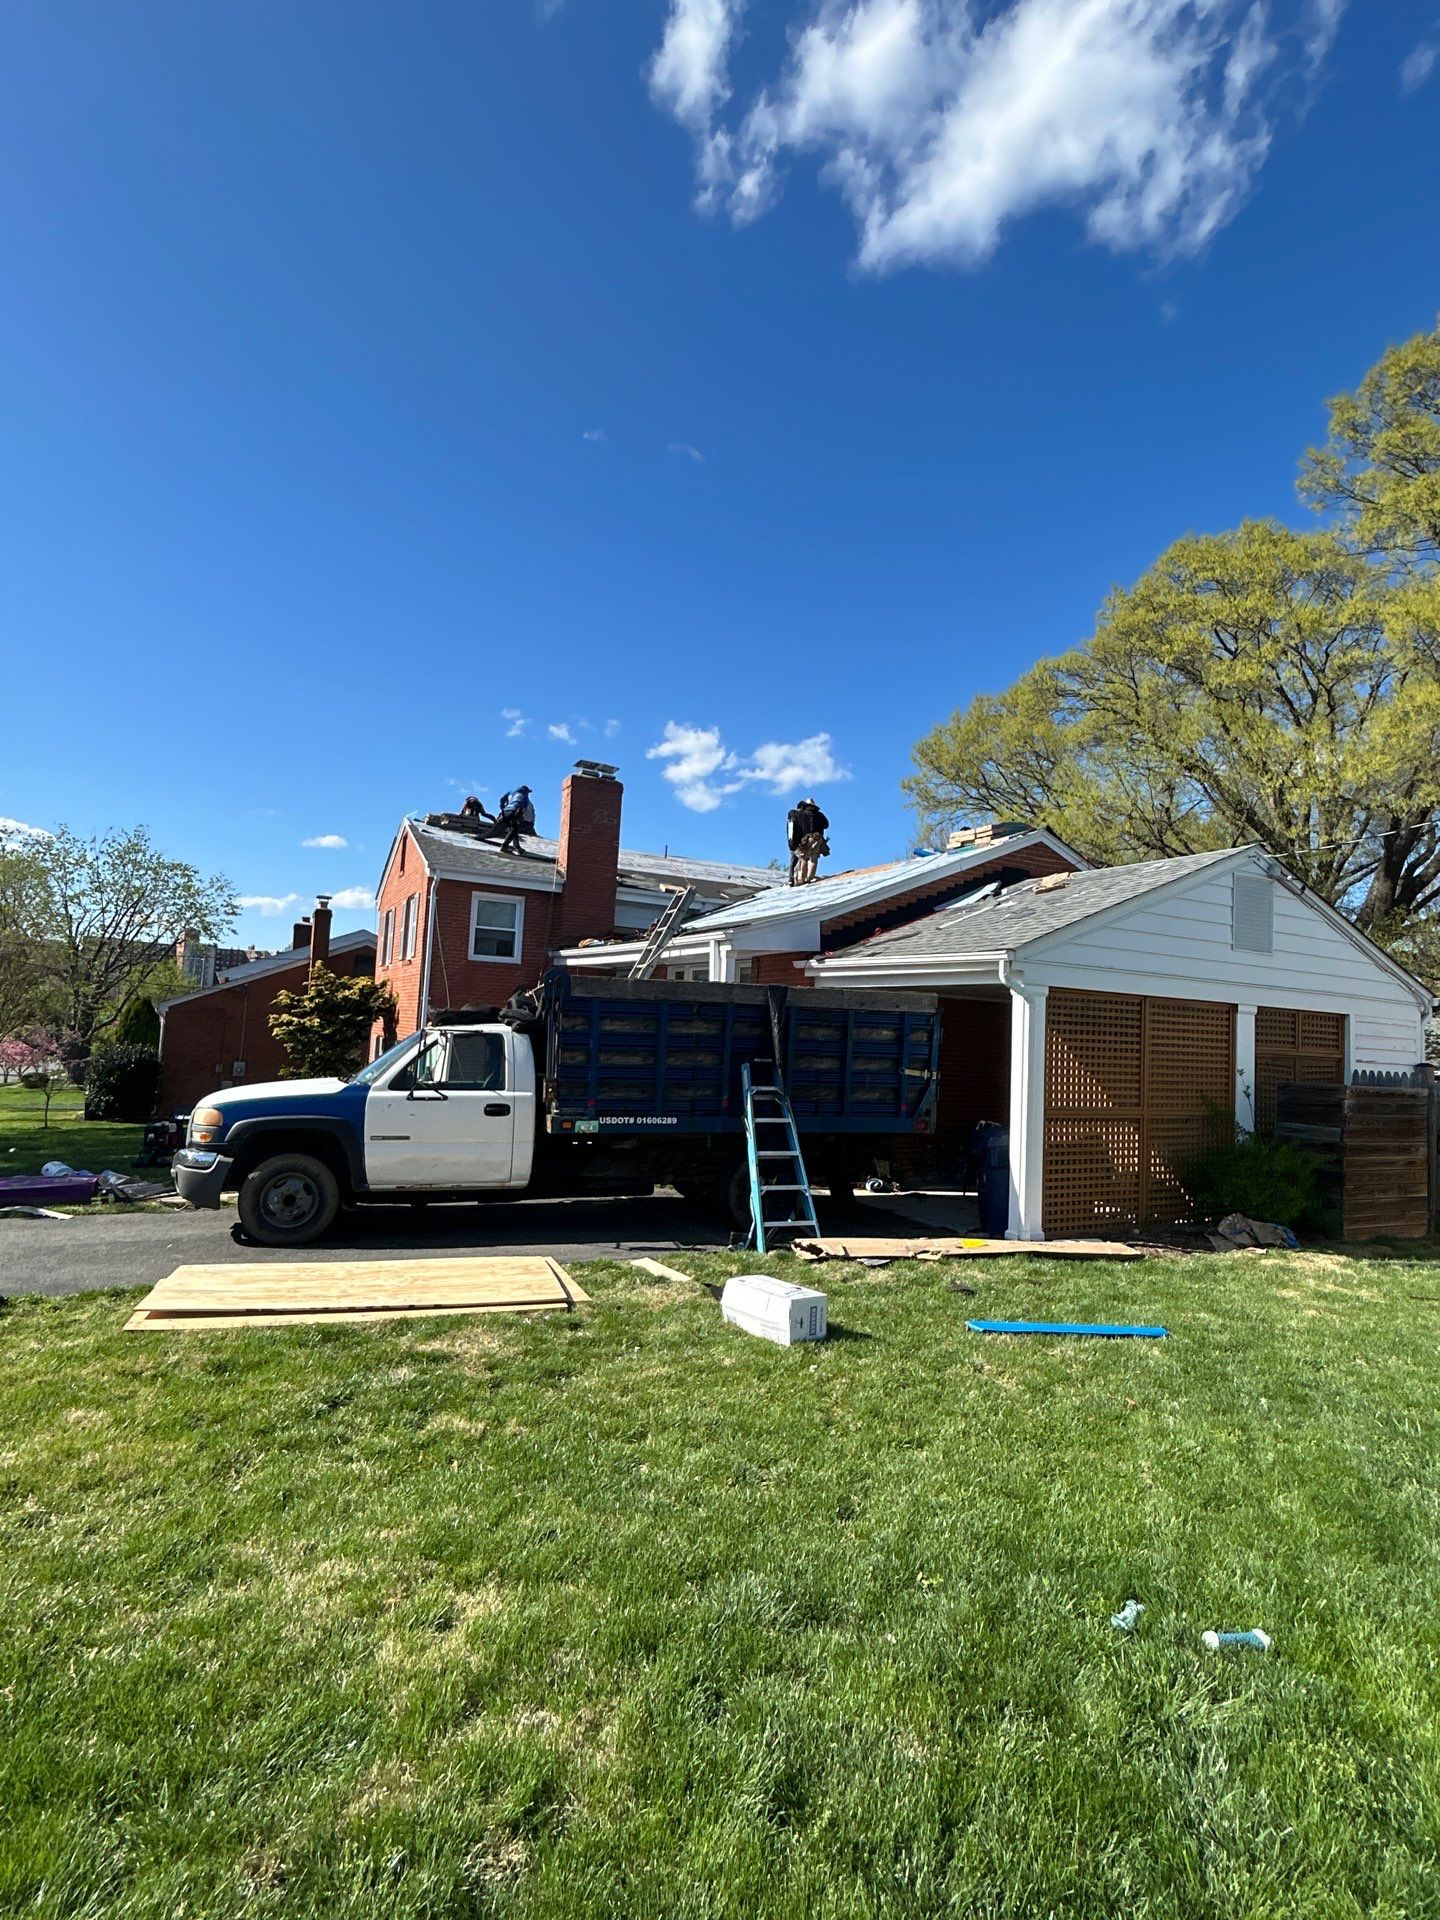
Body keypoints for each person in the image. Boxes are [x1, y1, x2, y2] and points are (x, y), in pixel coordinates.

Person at [787, 797, 830, 886]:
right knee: (814, 858)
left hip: (807, 838)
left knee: (804, 858)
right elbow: (826, 825)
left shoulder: (803, 814)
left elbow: (800, 825)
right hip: (819, 838)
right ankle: (810, 878)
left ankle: (801, 879)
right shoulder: (820, 814)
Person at [496, 784, 536, 854]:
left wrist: (503, 807)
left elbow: (502, 799)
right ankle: (504, 847)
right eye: (528, 792)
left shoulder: (511, 792)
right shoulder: (524, 796)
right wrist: (520, 816)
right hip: (513, 811)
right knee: (514, 829)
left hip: (505, 811)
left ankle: (517, 847)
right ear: (526, 791)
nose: (528, 794)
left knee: (514, 829)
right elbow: (522, 807)